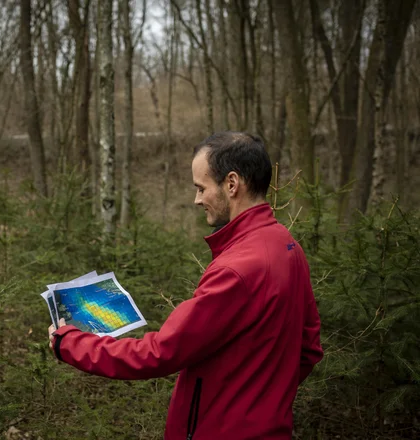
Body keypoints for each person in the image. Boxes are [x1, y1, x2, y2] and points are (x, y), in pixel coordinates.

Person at [48, 131, 323, 440]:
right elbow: (309, 350)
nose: (197, 199)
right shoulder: (288, 247)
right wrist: (263, 400)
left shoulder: (237, 269)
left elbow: (159, 354)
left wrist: (69, 343)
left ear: (231, 184)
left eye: (201, 188)